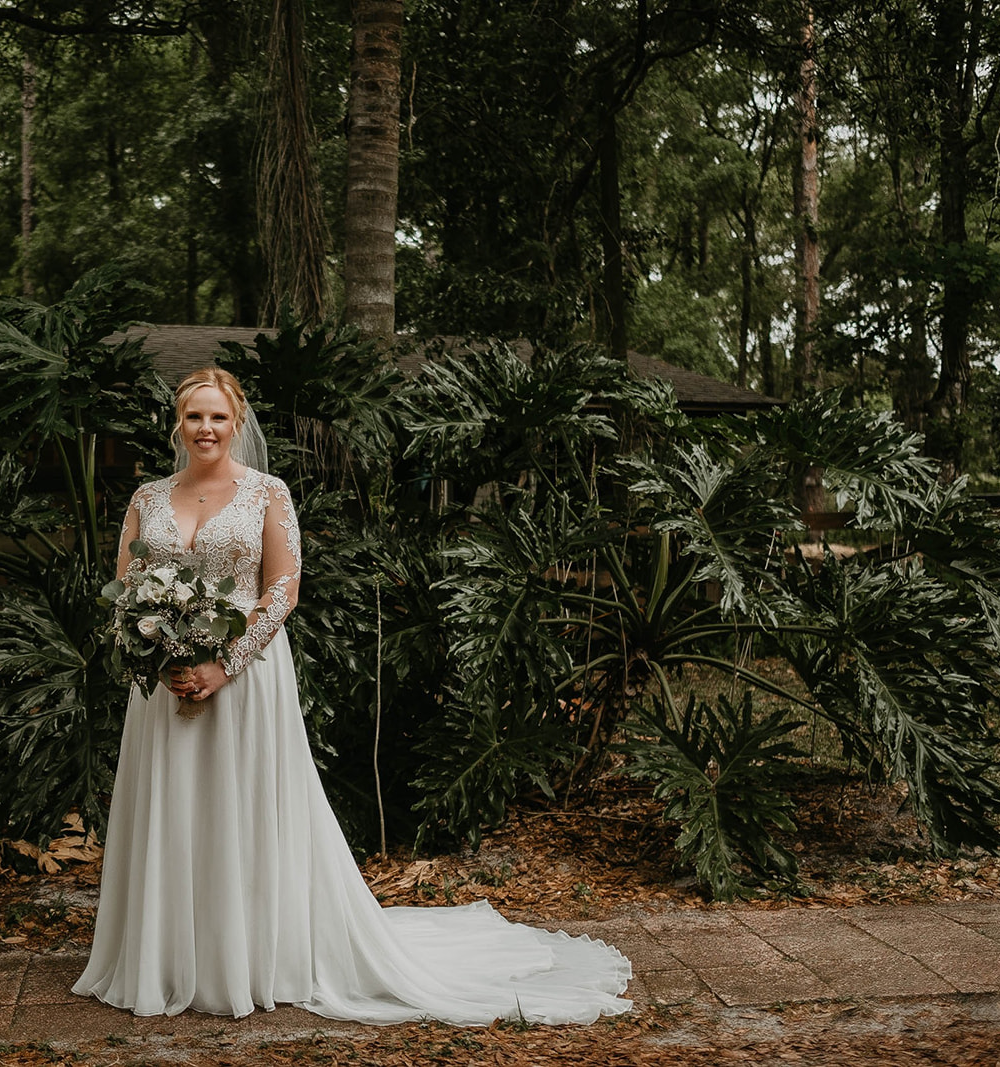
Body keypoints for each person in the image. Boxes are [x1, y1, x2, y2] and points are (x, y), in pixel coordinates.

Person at [72, 367, 632, 1025]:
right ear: (178, 423)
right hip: (163, 685)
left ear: (237, 420)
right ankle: (166, 957)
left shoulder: (267, 493)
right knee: (175, 807)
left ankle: (246, 957)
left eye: (218, 417)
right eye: (195, 416)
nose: (206, 428)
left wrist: (224, 663)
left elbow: (283, 588)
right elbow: (127, 588)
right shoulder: (148, 497)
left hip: (246, 676)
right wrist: (157, 651)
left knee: (241, 808)